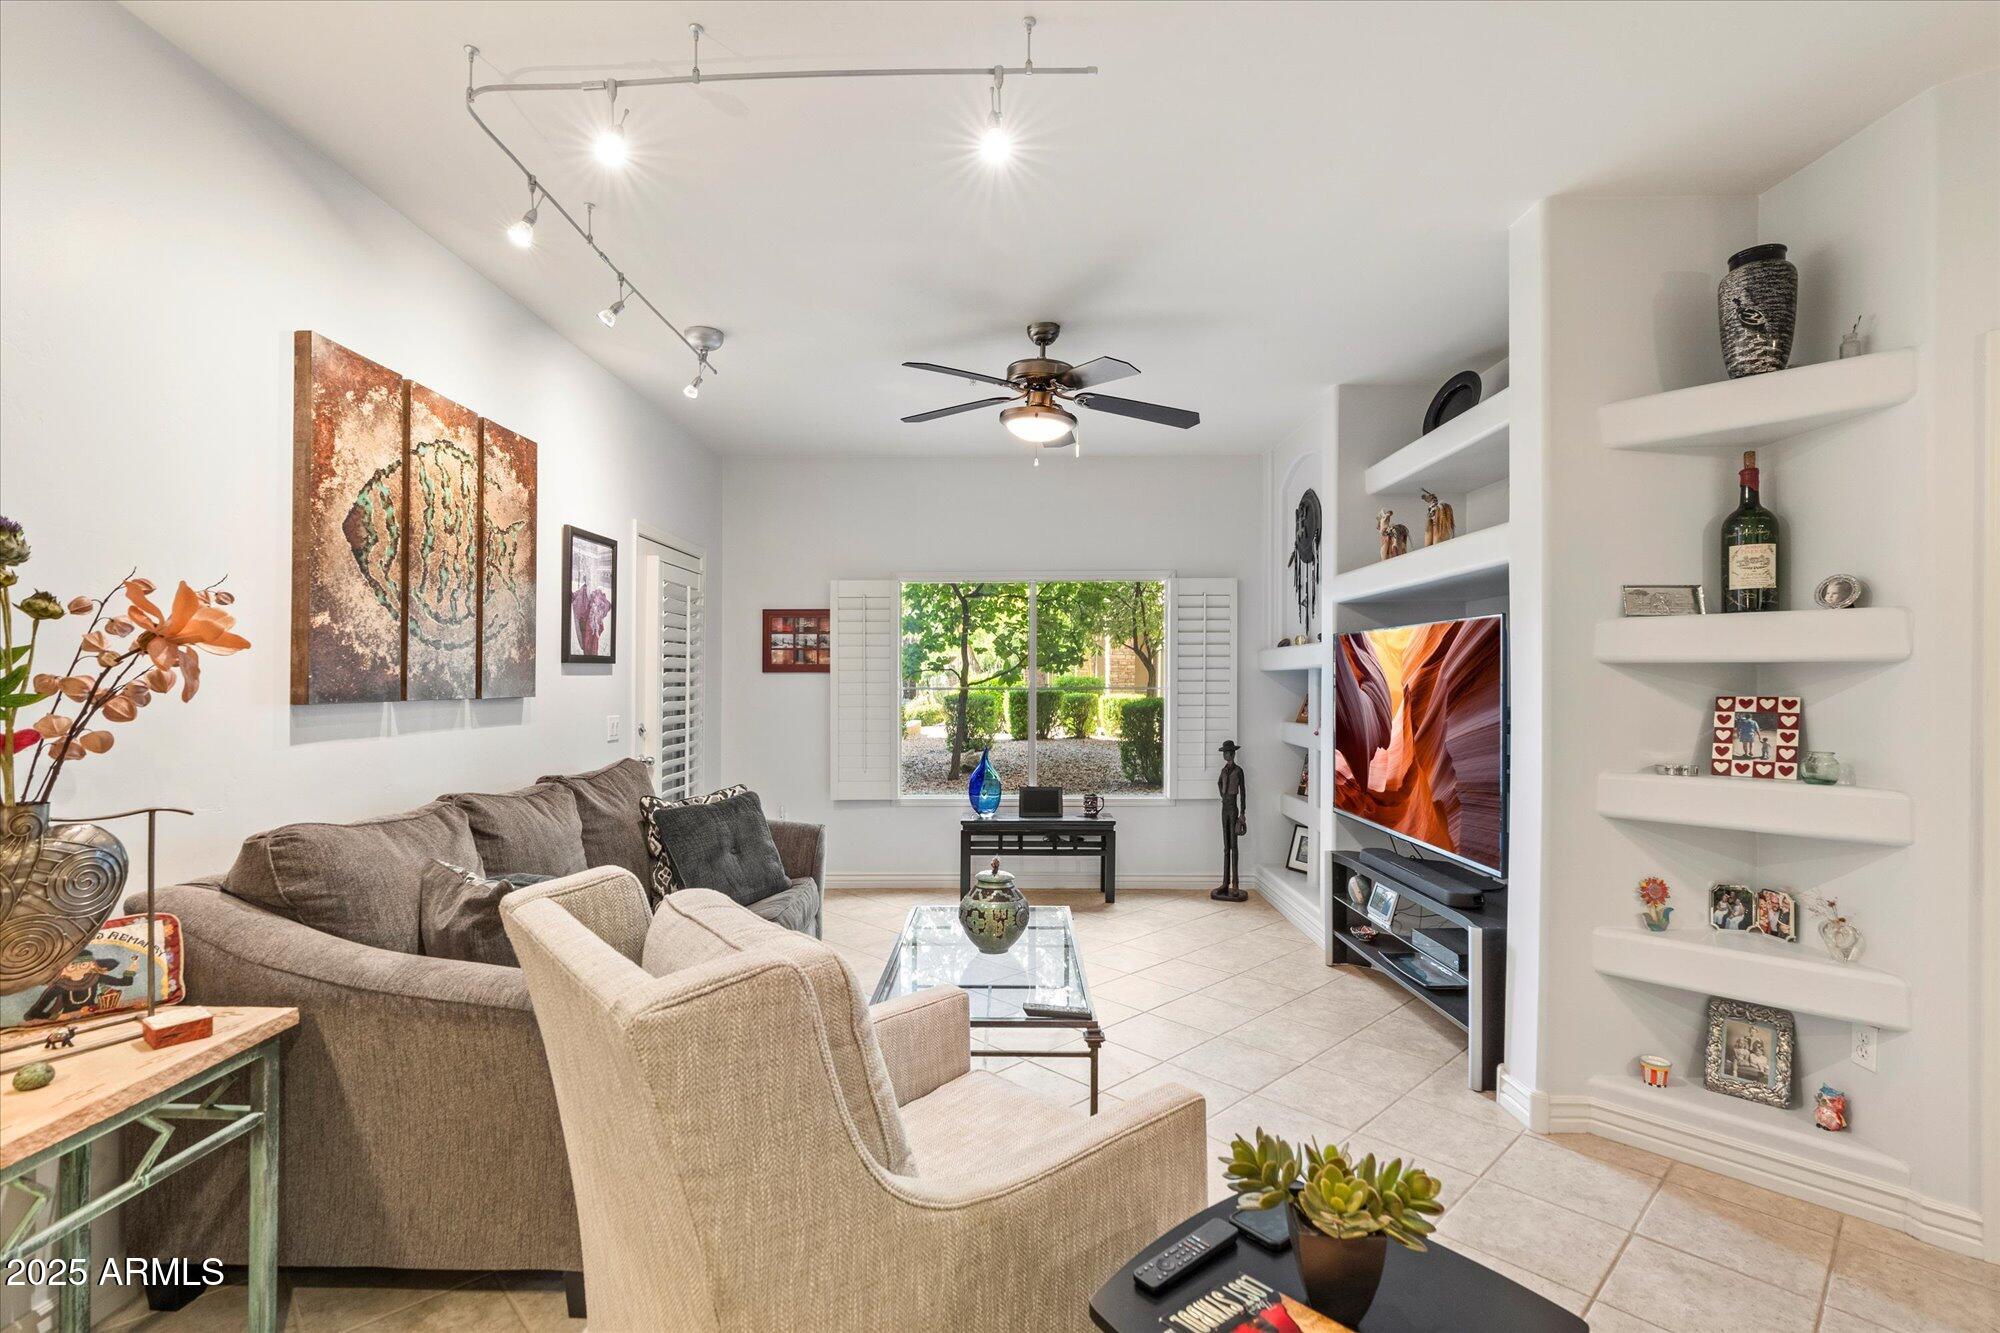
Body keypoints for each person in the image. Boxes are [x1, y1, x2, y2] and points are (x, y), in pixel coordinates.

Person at [1212, 739, 1249, 902]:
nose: (1225, 755)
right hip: (1224, 808)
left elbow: (1244, 792)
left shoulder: (1238, 771)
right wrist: (1222, 794)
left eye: (1227, 753)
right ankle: (1225, 883)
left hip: (1233, 809)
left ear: (1232, 753)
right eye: (1224, 753)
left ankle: (1235, 884)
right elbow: (1219, 783)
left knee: (1234, 846)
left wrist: (1243, 812)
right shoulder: (1223, 770)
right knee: (1226, 847)